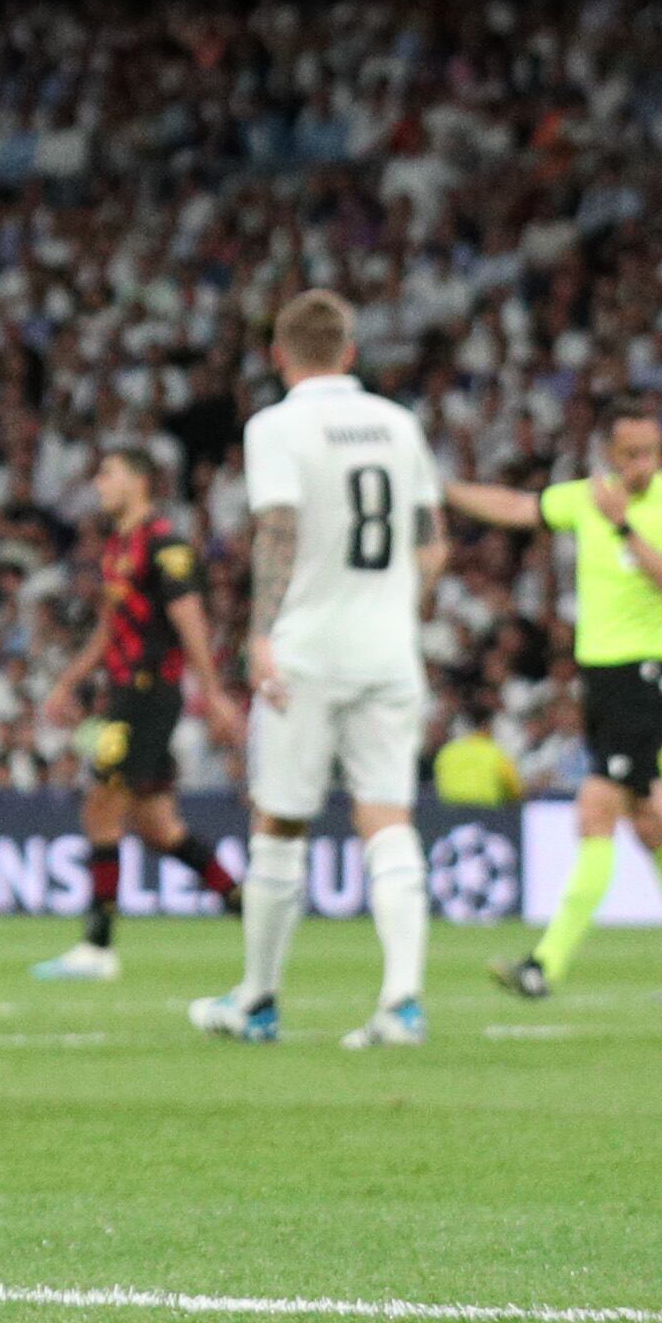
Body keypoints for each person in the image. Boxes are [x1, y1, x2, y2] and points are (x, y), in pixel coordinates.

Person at [188, 292, 444, 1048]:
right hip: (388, 650)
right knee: (386, 817)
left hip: (306, 649)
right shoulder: (400, 425)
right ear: (350, 351)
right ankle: (401, 1002)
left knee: (280, 819)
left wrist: (261, 633)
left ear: (277, 355)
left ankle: (258, 1001)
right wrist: (401, 612)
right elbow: (430, 545)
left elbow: (278, 526)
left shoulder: (275, 425)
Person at [449, 408, 662, 999]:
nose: (642, 466)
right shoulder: (587, 498)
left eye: (651, 452)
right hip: (603, 681)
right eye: (630, 454)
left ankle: (543, 967)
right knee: (653, 825)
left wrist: (625, 527)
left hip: (649, 675)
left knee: (595, 811)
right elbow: (518, 507)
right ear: (609, 452)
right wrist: (443, 488)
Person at [28, 445, 244, 983]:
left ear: (140, 482)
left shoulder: (165, 544)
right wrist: (69, 681)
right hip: (125, 692)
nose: (98, 481)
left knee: (100, 807)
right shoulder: (119, 546)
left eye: (109, 472)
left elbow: (190, 620)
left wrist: (212, 692)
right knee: (157, 826)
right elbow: (109, 627)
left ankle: (97, 947)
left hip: (149, 694)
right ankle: (248, 906)